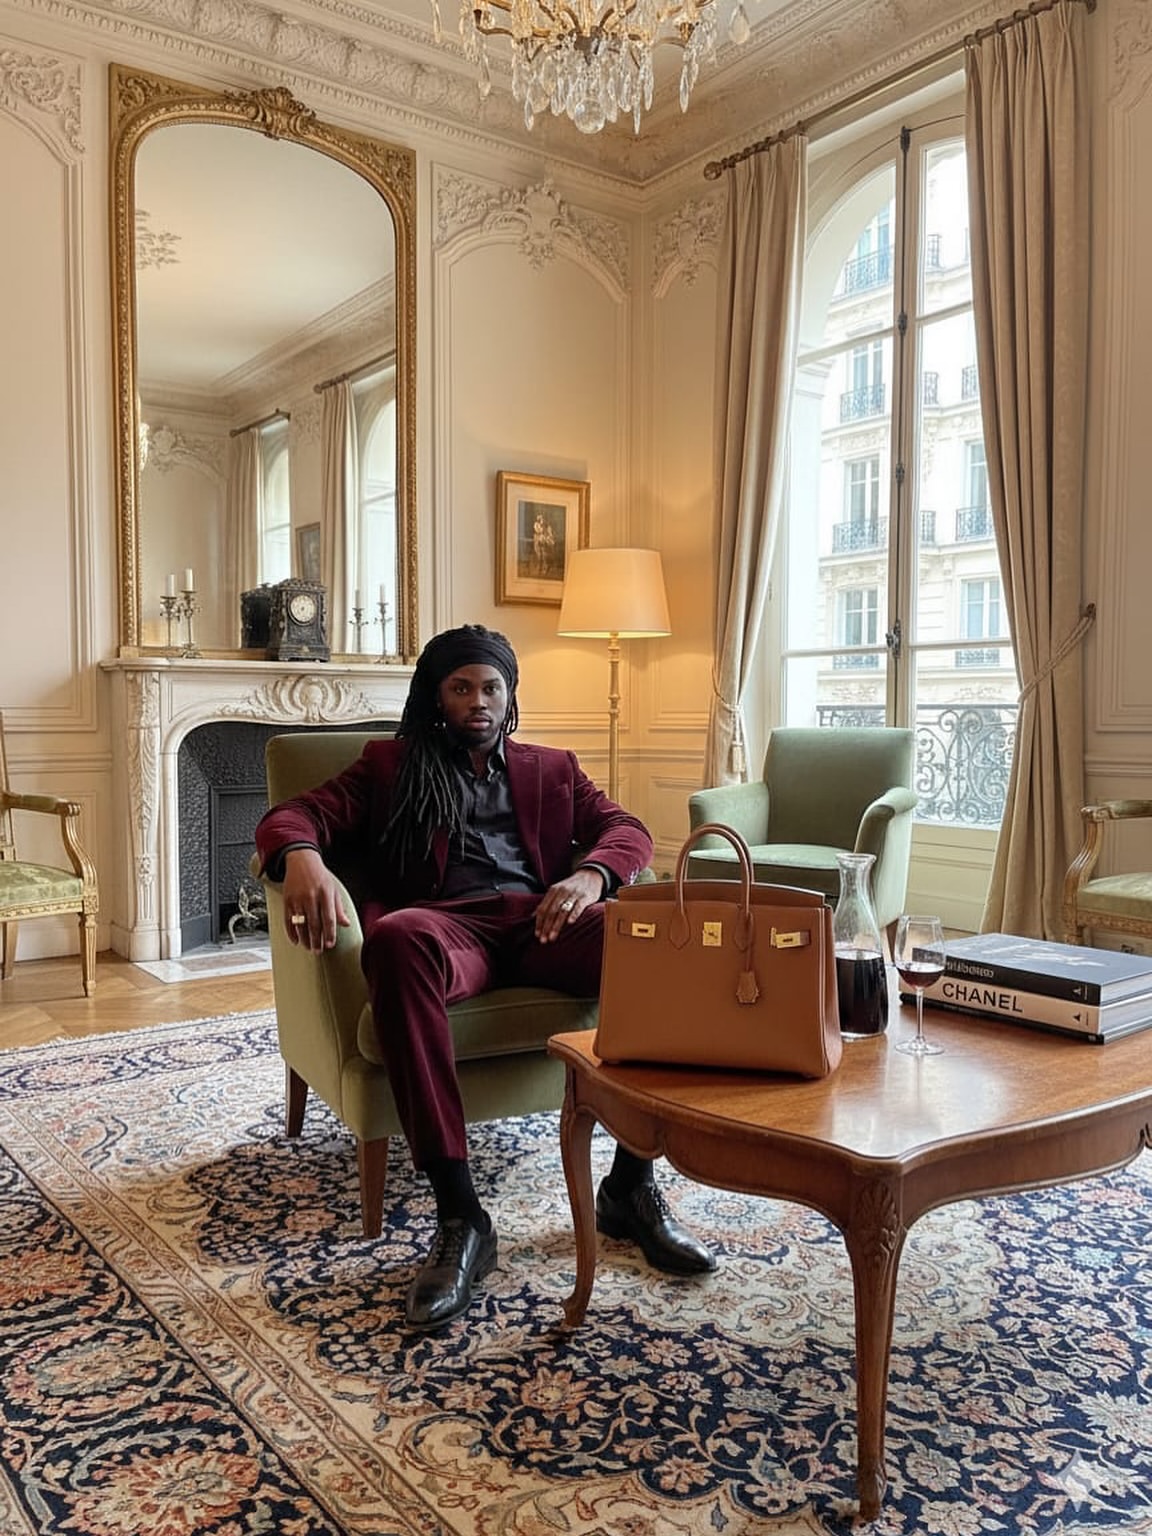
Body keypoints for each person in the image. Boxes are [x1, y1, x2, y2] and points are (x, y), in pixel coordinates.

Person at [255, 623, 714, 1329]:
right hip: (447, 929)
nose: (478, 701)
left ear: (510, 694)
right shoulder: (389, 765)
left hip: (541, 922)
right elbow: (294, 814)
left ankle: (629, 1186)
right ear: (436, 697)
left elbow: (627, 830)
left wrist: (591, 876)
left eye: (491, 687)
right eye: (461, 687)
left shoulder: (552, 768)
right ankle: (461, 1216)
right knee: (397, 939)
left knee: (651, 945)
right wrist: (303, 859)